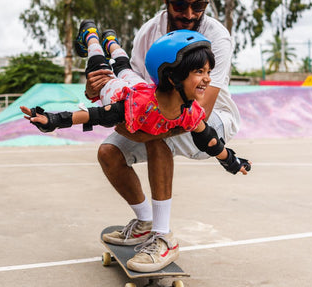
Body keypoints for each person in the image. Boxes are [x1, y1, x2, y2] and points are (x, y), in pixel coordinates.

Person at [20, 23, 250, 272]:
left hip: (134, 83)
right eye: (199, 71)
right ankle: (93, 37)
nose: (207, 78)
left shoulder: (190, 112)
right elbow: (92, 115)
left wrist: (232, 162)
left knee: (123, 66)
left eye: (208, 71)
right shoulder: (137, 106)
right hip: (115, 92)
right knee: (102, 67)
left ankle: (111, 40)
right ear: (173, 77)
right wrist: (51, 120)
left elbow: (209, 140)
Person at [82, 0, 244, 272]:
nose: (189, 13)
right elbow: (136, 96)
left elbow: (197, 111)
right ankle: (144, 222)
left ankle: (163, 237)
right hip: (162, 115)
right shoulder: (148, 33)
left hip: (212, 123)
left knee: (159, 133)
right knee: (108, 152)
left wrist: (137, 126)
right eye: (180, 4)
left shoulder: (217, 38)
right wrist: (96, 91)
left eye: (199, 5)